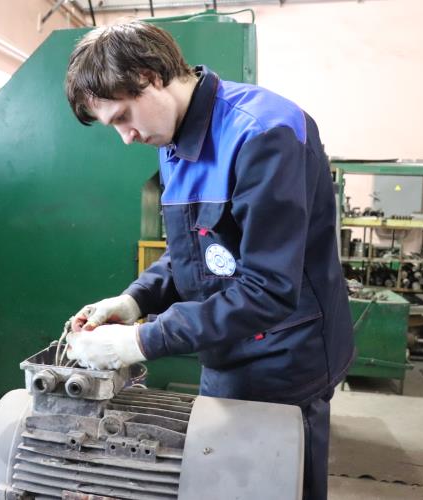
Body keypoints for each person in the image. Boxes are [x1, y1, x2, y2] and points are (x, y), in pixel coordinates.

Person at [62, 20, 354, 500]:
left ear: (150, 77)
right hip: (226, 350)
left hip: (286, 361)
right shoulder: (173, 139)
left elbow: (268, 289)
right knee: (222, 481)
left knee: (274, 486)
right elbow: (198, 250)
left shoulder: (265, 132)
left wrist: (141, 341)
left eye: (122, 117)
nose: (126, 137)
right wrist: (134, 301)